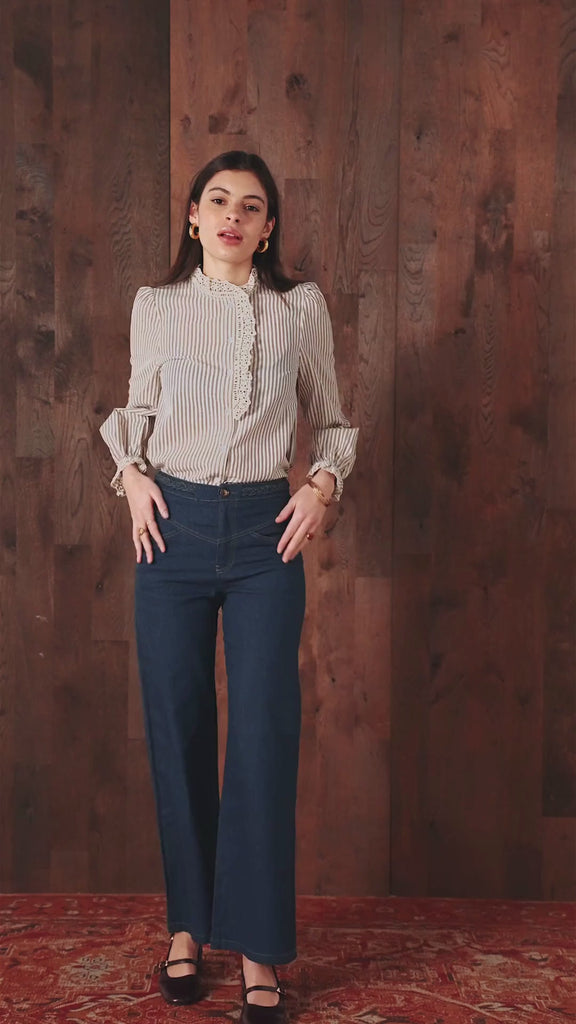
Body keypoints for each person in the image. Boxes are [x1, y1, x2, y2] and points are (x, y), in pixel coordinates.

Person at [99, 150, 358, 1022]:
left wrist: (320, 486)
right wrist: (130, 474)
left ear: (269, 226)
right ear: (193, 216)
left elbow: (332, 420)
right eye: (218, 201)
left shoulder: (299, 307)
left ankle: (256, 946)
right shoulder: (157, 305)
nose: (233, 217)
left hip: (261, 533)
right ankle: (187, 924)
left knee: (262, 734)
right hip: (169, 529)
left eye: (251, 206)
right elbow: (137, 410)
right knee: (175, 726)